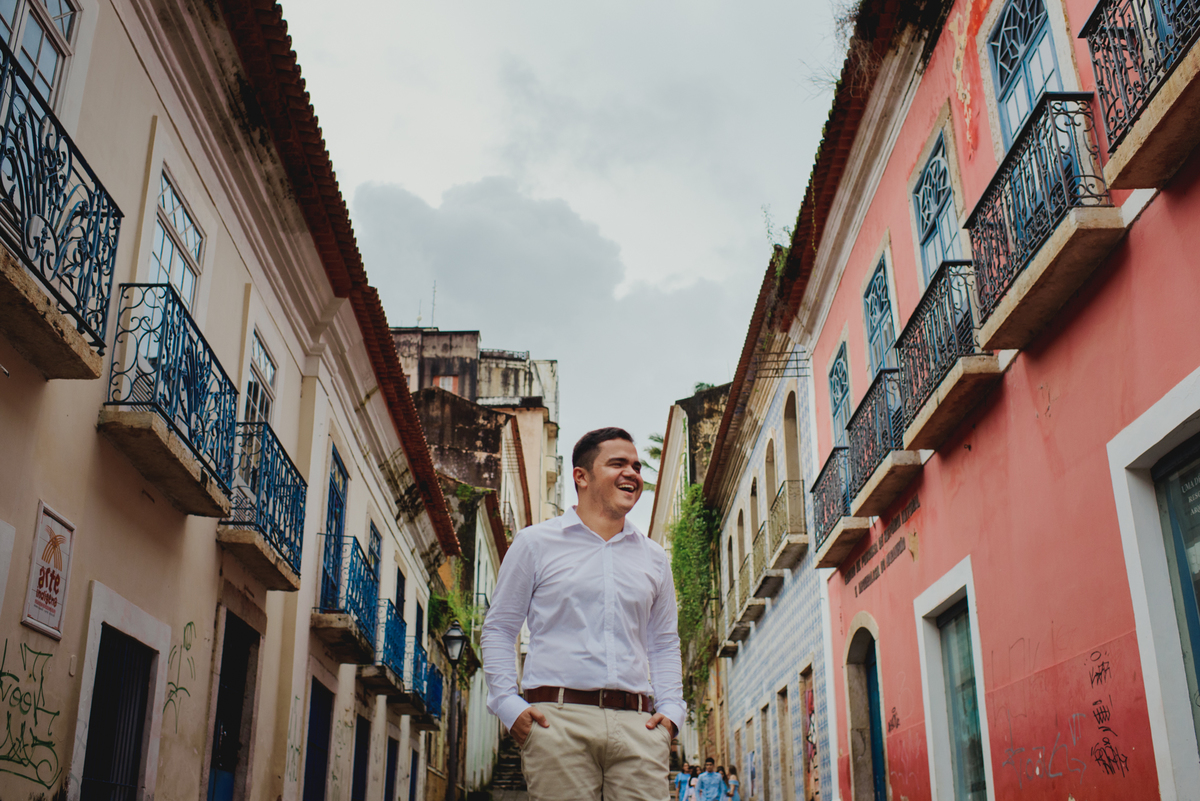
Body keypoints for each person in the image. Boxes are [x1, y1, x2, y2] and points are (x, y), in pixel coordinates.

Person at [481, 427, 685, 801]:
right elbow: (499, 629)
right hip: (557, 722)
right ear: (582, 476)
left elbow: (663, 642)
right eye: (618, 464)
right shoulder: (535, 544)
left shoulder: (654, 558)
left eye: (637, 466)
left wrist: (672, 712)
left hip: (639, 727)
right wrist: (508, 706)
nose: (632, 473)